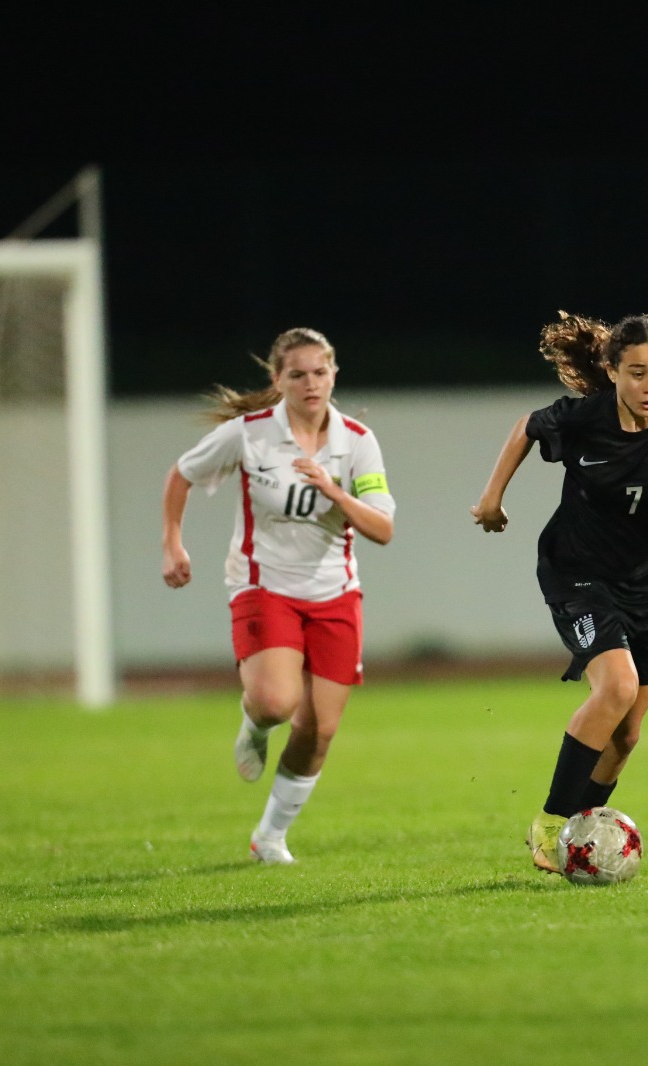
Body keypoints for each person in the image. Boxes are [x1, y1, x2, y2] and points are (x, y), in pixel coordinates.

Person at [471, 311, 648, 873]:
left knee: (627, 735)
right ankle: (548, 826)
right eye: (637, 373)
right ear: (612, 370)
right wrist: (492, 498)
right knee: (616, 687)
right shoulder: (584, 418)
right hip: (577, 573)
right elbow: (528, 426)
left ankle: (579, 837)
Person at [161, 327, 395, 864]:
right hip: (264, 584)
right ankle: (255, 722)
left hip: (335, 592)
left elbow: (382, 529)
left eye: (320, 372)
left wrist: (333, 491)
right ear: (277, 379)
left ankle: (269, 836)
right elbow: (182, 473)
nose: (311, 383)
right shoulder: (249, 435)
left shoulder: (357, 440)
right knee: (275, 702)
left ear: (334, 374)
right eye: (298, 374)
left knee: (319, 730)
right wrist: (172, 542)